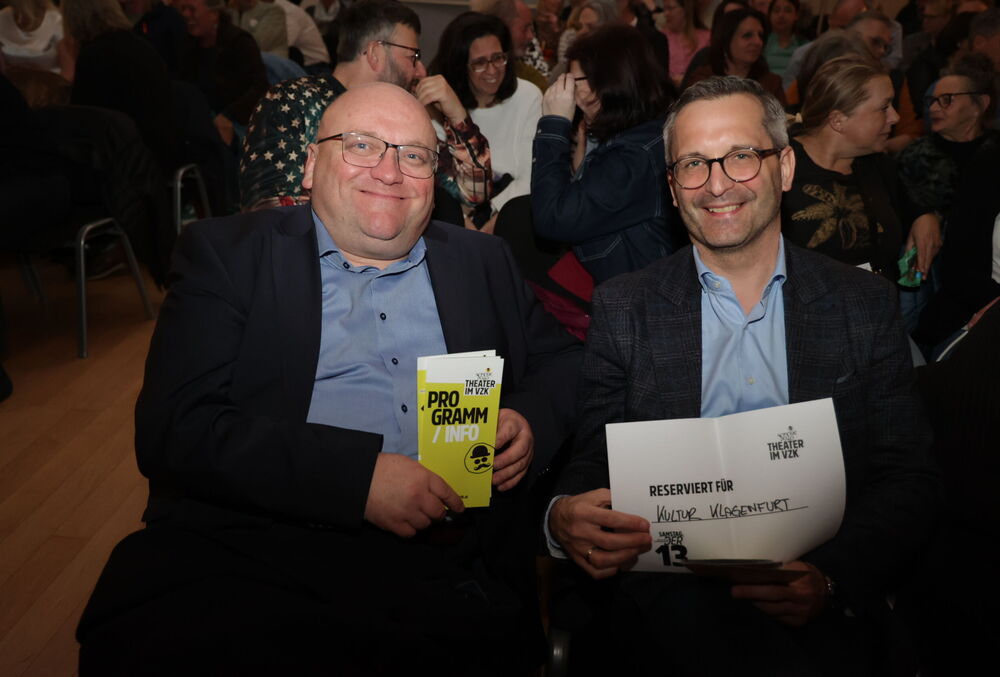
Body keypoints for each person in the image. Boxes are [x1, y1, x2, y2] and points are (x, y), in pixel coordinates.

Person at [76, 81, 581, 674]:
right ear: (312, 165)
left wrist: (527, 420)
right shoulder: (229, 256)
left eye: (414, 155)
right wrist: (356, 480)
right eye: (362, 145)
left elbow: (566, 364)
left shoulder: (482, 261)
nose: (389, 172)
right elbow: (176, 429)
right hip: (260, 551)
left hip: (453, 561)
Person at [547, 75, 939, 674]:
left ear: (786, 167)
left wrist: (830, 578)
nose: (716, 185)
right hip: (668, 607)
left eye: (740, 156)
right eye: (693, 165)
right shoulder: (626, 308)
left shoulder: (860, 305)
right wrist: (563, 515)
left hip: (818, 599)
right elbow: (595, 464)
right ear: (672, 189)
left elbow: (906, 478)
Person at [240, 0, 491, 215]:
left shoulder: (401, 118)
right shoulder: (294, 100)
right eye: (413, 56)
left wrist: (457, 115)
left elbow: (473, 193)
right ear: (375, 53)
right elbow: (269, 208)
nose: (421, 70)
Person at [531, 24, 676, 283]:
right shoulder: (649, 130)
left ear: (607, 82)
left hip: (637, 298)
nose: (573, 94)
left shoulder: (632, 159)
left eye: (575, 81)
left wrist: (554, 124)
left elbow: (552, 218)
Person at [783, 55, 941, 291]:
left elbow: (911, 202)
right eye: (884, 108)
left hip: (877, 304)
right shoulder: (781, 168)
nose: (895, 117)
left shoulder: (875, 164)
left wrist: (924, 217)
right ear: (838, 120)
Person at [899, 54, 1000, 346]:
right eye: (931, 100)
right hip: (929, 273)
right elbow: (899, 204)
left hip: (978, 276)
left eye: (947, 100)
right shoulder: (915, 154)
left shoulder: (993, 154)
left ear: (980, 105)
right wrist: (923, 214)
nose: (933, 108)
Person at [432, 11, 542, 218]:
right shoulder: (442, 102)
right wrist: (462, 221)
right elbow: (438, 178)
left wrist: (494, 221)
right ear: (460, 66)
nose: (492, 70)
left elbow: (531, 176)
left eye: (498, 58)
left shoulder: (528, 96)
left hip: (511, 211)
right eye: (480, 63)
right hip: (453, 211)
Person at [59, 0, 176, 173]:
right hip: (158, 154)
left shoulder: (95, 55)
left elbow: (83, 118)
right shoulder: (137, 44)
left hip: (131, 164)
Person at [175, 0, 268, 147]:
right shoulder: (188, 44)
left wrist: (228, 115)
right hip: (201, 119)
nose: (186, 14)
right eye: (183, 9)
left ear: (214, 13)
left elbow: (260, 87)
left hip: (239, 120)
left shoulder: (239, 42)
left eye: (192, 9)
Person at [683, 7, 786, 104]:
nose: (758, 42)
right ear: (726, 40)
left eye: (760, 35)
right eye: (747, 35)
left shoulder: (771, 83)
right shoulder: (703, 80)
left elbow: (782, 116)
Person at [660, 0, 709, 87]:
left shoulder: (706, 37)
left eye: (670, 8)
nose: (665, 13)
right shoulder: (660, 37)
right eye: (664, 9)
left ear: (685, 9)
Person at [764, 0, 805, 79]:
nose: (781, 15)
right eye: (776, 10)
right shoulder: (761, 42)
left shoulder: (804, 46)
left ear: (796, 15)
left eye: (787, 11)